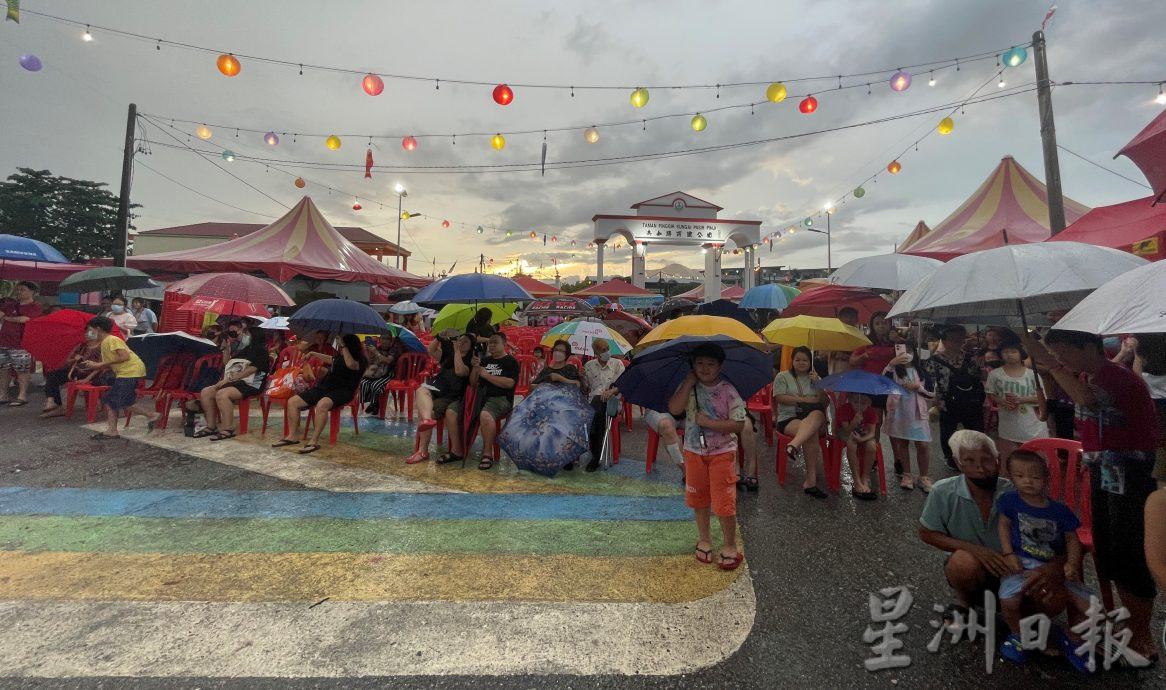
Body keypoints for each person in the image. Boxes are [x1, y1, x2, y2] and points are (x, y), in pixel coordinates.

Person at [1026, 328, 1159, 662]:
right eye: (1056, 353)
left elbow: (1086, 399)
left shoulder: (1118, 378)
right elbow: (1089, 422)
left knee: (1129, 553)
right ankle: (1121, 622)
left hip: (1129, 473)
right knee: (1108, 547)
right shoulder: (1088, 374)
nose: (1061, 359)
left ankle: (1143, 636)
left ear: (1089, 346)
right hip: (1104, 470)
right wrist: (1089, 460)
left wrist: (1049, 365)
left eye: (1063, 352)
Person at [995, 449, 1095, 670]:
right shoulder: (1009, 501)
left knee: (1093, 610)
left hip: (1055, 566)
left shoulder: (1059, 510)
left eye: (1035, 477)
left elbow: (1073, 539)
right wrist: (1008, 554)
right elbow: (1004, 525)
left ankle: (1071, 637)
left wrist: (1071, 563)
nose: (1027, 481)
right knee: (1009, 601)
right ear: (1010, 476)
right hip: (1021, 563)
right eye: (1020, 476)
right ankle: (1017, 636)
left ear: (1046, 478)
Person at [918, 430, 1014, 625]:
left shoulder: (1013, 492)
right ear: (958, 463)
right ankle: (964, 602)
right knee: (962, 562)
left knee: (1050, 600)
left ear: (998, 460)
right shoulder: (943, 491)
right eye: (969, 460)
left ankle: (1019, 613)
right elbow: (926, 533)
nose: (979, 467)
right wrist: (976, 550)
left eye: (986, 460)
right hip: (973, 568)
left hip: (1011, 567)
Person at [669, 343, 746, 571]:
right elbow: (674, 409)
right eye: (699, 363)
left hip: (723, 452)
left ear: (720, 366)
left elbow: (739, 424)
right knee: (699, 499)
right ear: (692, 365)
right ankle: (704, 539)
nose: (705, 368)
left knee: (724, 501)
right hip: (693, 452)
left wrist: (709, 423)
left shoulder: (728, 391)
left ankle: (730, 544)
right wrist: (688, 383)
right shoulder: (689, 387)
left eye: (711, 364)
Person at [273, 334, 367, 455]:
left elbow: (350, 365)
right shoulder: (339, 357)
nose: (339, 346)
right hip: (325, 388)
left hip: (343, 391)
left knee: (322, 404)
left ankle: (314, 441)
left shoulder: (360, 360)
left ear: (350, 346)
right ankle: (292, 436)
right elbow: (331, 359)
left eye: (342, 345)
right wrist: (313, 353)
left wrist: (344, 346)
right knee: (293, 402)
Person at [75, 316, 159, 439]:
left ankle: (151, 415)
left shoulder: (111, 340)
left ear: (98, 329)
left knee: (121, 401)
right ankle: (112, 431)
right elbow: (109, 364)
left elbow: (125, 357)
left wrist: (99, 364)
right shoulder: (105, 343)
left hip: (130, 372)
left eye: (90, 330)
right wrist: (91, 366)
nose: (88, 333)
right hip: (125, 372)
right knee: (111, 401)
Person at [189, 324, 270, 440]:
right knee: (206, 392)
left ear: (255, 336)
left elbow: (252, 369)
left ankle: (228, 428)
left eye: (247, 334)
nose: (244, 336)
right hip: (237, 381)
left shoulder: (261, 351)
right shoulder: (246, 349)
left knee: (222, 394)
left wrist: (229, 379)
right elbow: (228, 364)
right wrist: (226, 348)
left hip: (252, 383)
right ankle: (211, 426)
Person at [922, 325, 986, 471]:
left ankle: (976, 456)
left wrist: (981, 364)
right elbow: (929, 381)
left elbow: (980, 377)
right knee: (948, 431)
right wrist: (934, 398)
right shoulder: (934, 360)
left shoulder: (971, 358)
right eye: (953, 339)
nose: (958, 342)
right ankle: (951, 458)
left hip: (971, 401)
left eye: (961, 339)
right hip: (947, 401)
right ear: (944, 340)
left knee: (976, 431)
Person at [408, 333, 473, 465]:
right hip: (437, 388)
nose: (461, 342)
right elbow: (430, 350)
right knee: (421, 389)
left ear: (471, 347)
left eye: (465, 342)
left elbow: (460, 371)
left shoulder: (470, 361)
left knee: (429, 412)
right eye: (459, 340)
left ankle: (422, 451)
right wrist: (438, 337)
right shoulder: (447, 356)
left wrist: (456, 351)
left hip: (453, 395)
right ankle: (427, 420)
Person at [774, 346, 829, 498]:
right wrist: (804, 400)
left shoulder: (815, 378)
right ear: (792, 361)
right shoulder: (782, 376)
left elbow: (824, 402)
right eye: (797, 359)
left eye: (805, 360)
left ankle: (793, 445)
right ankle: (810, 482)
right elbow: (779, 397)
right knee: (811, 434)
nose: (801, 363)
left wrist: (818, 384)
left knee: (818, 414)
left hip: (812, 417)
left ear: (810, 362)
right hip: (789, 418)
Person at [884, 345, 935, 492]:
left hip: (918, 414)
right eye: (901, 351)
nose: (906, 355)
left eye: (909, 351)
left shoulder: (921, 372)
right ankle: (907, 474)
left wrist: (918, 387)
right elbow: (884, 382)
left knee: (922, 445)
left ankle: (924, 476)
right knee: (902, 443)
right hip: (900, 413)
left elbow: (931, 394)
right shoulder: (894, 371)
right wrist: (891, 364)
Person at [986, 343, 1047, 462]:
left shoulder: (1032, 375)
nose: (1009, 354)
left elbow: (1042, 398)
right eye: (1005, 352)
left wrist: (1020, 400)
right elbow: (991, 393)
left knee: (1036, 460)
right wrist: (1002, 401)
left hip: (1033, 424)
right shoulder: (995, 374)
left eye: (1013, 351)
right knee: (1009, 460)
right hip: (1008, 424)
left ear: (1021, 354)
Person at [469, 332, 519, 470]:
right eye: (490, 342)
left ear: (504, 344)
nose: (491, 345)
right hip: (482, 397)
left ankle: (487, 453)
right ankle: (460, 448)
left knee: (485, 415)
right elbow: (473, 383)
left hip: (501, 399)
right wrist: (475, 368)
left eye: (495, 342)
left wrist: (487, 375)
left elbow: (509, 383)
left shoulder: (510, 361)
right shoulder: (484, 360)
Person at [582, 339, 625, 473]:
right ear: (595, 352)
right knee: (595, 409)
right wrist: (581, 378)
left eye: (607, 348)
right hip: (594, 403)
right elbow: (585, 390)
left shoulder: (617, 364)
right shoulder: (588, 366)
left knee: (595, 410)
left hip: (612, 402)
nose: (606, 351)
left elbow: (624, 385)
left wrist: (611, 391)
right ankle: (594, 453)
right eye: (602, 349)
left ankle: (595, 456)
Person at [40, 334, 107, 418]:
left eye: (90, 332)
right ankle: (52, 401)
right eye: (86, 332)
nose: (87, 335)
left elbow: (101, 367)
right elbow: (67, 361)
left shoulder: (102, 346)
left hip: (93, 374)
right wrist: (74, 359)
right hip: (77, 371)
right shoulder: (82, 346)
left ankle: (97, 405)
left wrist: (86, 379)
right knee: (52, 374)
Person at [0, 280, 44, 406]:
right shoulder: (11, 304)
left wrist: (8, 318)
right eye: (18, 289)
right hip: (4, 341)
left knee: (22, 370)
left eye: (22, 289)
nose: (19, 292)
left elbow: (25, 319)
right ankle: (3, 394)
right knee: (3, 369)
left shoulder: (35, 306)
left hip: (21, 343)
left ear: (32, 292)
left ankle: (22, 395)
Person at [1131, 334, 1166, 488]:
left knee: (1162, 465)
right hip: (1158, 412)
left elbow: (1137, 378)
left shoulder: (1145, 368)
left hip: (1156, 412)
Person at [836, 392, 879, 499]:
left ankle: (865, 476)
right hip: (846, 432)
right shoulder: (843, 409)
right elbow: (846, 431)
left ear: (869, 403)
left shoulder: (871, 412)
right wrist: (854, 422)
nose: (859, 405)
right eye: (856, 402)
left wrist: (862, 439)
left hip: (863, 434)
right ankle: (856, 480)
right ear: (849, 400)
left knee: (871, 446)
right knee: (851, 444)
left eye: (864, 403)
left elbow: (872, 433)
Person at [359, 335, 405, 416]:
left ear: (390, 341)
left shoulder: (393, 350)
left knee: (375, 385)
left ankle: (375, 404)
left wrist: (376, 352)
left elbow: (388, 361)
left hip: (388, 373)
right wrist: (368, 352)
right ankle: (374, 403)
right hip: (376, 372)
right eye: (383, 338)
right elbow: (370, 362)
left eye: (387, 339)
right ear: (380, 340)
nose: (385, 341)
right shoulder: (377, 348)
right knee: (363, 383)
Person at [828, 306, 860, 375]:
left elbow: (862, 357)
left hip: (854, 374)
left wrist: (846, 356)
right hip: (835, 374)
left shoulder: (860, 338)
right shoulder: (833, 335)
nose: (849, 319)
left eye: (852, 316)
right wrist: (834, 350)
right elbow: (822, 356)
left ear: (857, 319)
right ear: (840, 319)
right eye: (846, 316)